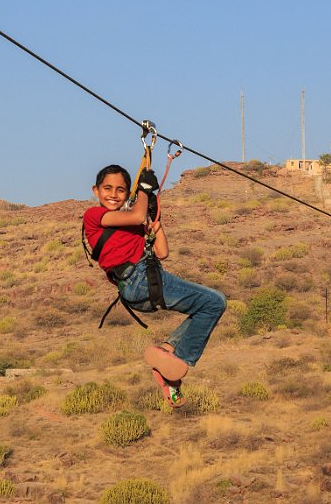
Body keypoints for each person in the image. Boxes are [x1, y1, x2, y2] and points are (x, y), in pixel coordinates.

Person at [83, 164, 226, 407]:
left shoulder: (133, 224)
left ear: (127, 194)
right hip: (138, 280)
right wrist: (144, 191)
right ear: (95, 191)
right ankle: (179, 361)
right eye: (107, 188)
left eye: (120, 190)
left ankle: (168, 354)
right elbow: (136, 215)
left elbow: (162, 252)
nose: (113, 194)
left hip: (142, 286)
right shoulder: (94, 216)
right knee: (215, 302)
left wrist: (155, 225)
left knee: (207, 306)